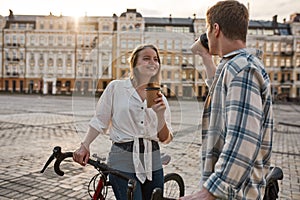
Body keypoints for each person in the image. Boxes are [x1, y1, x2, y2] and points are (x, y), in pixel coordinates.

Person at [181, 0, 274, 199]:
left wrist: (211, 191)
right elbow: (220, 93)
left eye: (207, 28)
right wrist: (206, 56)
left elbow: (244, 139)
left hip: (233, 194)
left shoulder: (241, 69)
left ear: (215, 29)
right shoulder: (236, 66)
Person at [73, 44, 173, 200]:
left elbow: (165, 138)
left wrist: (160, 115)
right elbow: (100, 120)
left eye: (156, 59)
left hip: (152, 157)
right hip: (122, 156)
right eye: (146, 58)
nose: (152, 62)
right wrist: (84, 145)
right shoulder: (116, 88)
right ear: (134, 64)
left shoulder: (161, 98)